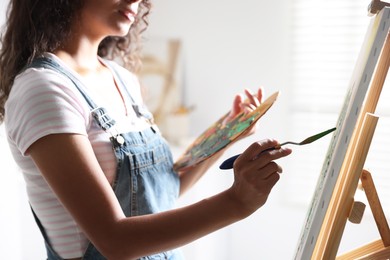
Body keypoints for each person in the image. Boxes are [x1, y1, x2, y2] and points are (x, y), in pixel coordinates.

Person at [0, 0, 292, 259]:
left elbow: (163, 189)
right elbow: (113, 240)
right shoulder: (43, 89)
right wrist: (236, 202)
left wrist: (228, 132)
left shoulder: (122, 79)